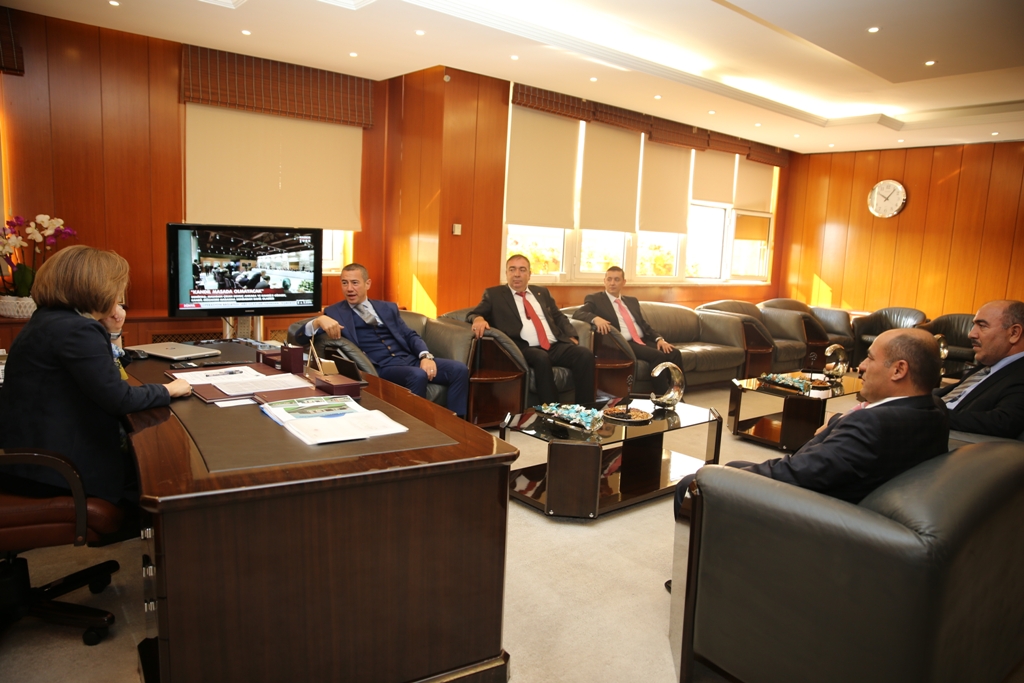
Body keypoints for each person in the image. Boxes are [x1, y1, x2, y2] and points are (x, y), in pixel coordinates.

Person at [674, 327, 949, 521]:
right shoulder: (933, 410)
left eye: (870, 357)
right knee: (727, 468)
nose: (861, 366)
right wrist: (840, 421)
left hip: (815, 517)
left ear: (899, 370)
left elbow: (795, 474)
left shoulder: (871, 425)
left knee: (693, 482)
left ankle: (696, 575)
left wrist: (723, 474)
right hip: (848, 501)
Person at [0, 246, 192, 505]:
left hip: (30, 463)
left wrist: (112, 331)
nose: (118, 297)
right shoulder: (78, 330)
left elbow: (107, 372)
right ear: (98, 288)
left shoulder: (50, 319)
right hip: (57, 472)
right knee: (164, 474)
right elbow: (119, 399)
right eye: (117, 290)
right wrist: (169, 389)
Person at [292, 263, 469, 417]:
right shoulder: (334, 312)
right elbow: (298, 338)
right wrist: (317, 321)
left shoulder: (387, 308)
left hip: (410, 359)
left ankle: (456, 424)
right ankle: (418, 426)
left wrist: (425, 356)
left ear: (367, 284)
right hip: (381, 367)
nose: (349, 288)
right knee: (417, 375)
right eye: (344, 283)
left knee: (459, 369)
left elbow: (410, 335)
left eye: (355, 282)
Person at [467, 254, 595, 405]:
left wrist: (571, 336)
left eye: (522, 270)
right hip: (523, 347)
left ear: (529, 274)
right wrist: (478, 319)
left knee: (584, 354)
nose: (517, 274)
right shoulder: (494, 295)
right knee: (541, 357)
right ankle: (552, 411)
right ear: (506, 273)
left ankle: (586, 409)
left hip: (554, 345)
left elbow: (558, 316)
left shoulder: (542, 292)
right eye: (512, 269)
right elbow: (474, 313)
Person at [572, 266, 684, 395]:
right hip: (623, 344)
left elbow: (644, 324)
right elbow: (578, 313)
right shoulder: (596, 299)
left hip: (642, 340)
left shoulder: (631, 301)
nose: (612, 283)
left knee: (674, 353)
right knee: (657, 356)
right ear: (604, 281)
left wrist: (659, 339)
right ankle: (663, 397)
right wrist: (595, 318)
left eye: (617, 279)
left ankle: (678, 394)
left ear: (623, 282)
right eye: (609, 279)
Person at [934, 299, 1024, 438]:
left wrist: (930, 416)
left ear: (1014, 333)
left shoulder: (1019, 374)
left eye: (982, 326)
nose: (971, 334)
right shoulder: (988, 365)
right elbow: (952, 394)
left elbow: (1004, 421)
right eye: (974, 325)